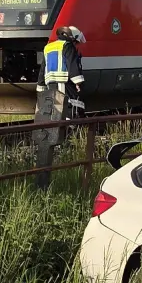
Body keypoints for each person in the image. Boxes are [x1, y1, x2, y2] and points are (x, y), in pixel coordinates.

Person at [32, 25, 85, 186]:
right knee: (71, 106)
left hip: (50, 84)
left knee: (54, 108)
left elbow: (43, 68)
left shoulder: (48, 47)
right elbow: (71, 63)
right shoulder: (68, 46)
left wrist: (40, 86)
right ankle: (68, 131)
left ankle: (56, 130)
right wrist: (78, 81)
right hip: (65, 83)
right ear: (71, 38)